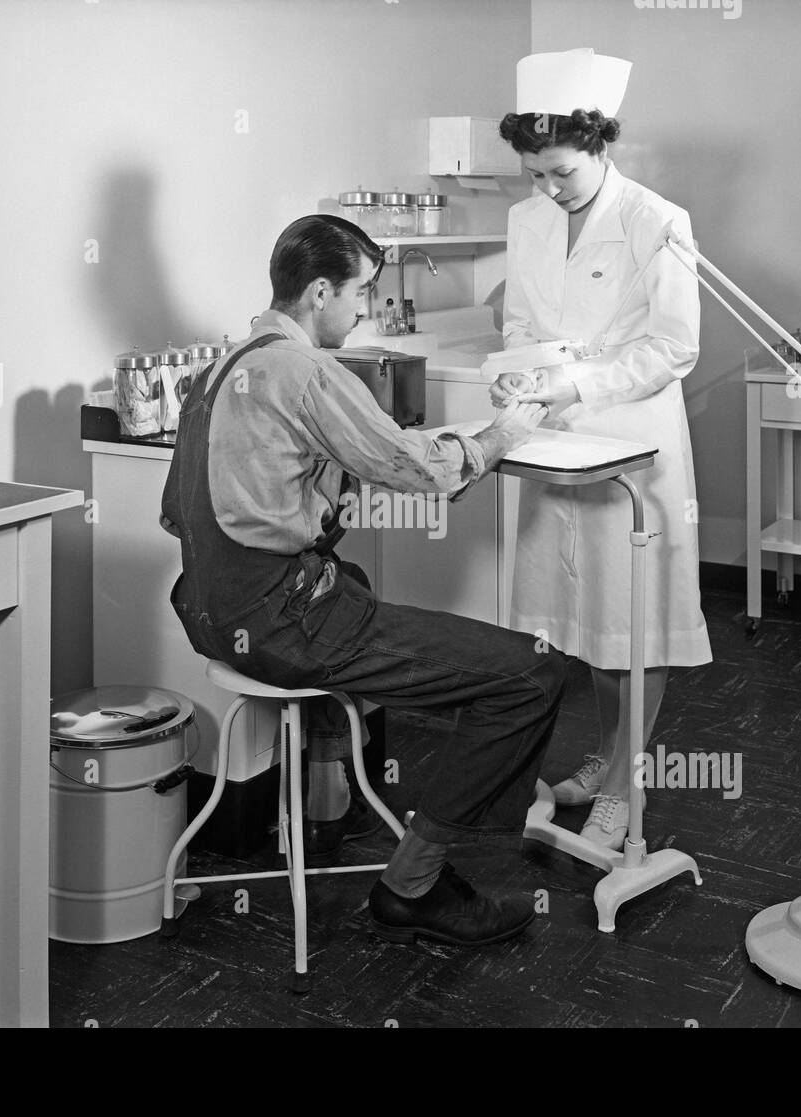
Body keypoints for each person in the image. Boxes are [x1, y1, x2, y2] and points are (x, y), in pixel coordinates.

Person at [161, 213, 567, 946]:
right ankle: (413, 883)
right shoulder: (307, 371)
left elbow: (177, 513)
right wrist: (505, 432)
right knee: (531, 672)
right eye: (362, 293)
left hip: (210, 617)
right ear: (320, 291)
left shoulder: (220, 367)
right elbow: (425, 468)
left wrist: (313, 499)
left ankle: (335, 795)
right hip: (286, 624)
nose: (368, 311)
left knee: (349, 579)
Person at [491, 50, 712, 851]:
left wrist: (575, 386)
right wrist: (518, 377)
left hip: (630, 440)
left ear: (600, 145)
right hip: (554, 437)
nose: (548, 189)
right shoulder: (526, 220)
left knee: (633, 617)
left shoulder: (657, 220)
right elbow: (518, 323)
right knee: (581, 617)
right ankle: (607, 753)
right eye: (534, 175)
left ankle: (626, 780)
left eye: (560, 173)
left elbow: (673, 348)